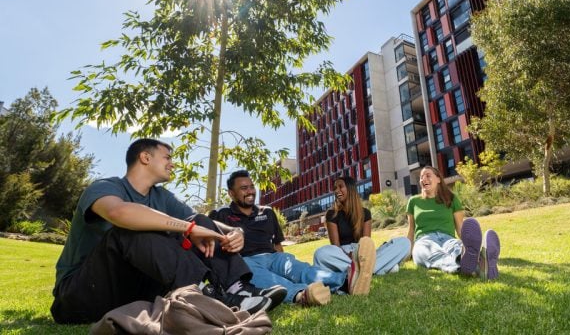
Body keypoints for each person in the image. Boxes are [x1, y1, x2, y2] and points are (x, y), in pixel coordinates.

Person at [51, 139, 286, 324]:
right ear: (145, 157)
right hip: (79, 294)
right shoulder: (106, 187)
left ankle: (238, 289)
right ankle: (207, 296)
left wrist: (235, 231)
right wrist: (188, 228)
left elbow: (199, 221)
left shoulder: (162, 197)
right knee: (131, 230)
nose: (172, 163)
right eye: (167, 157)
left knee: (200, 219)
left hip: (133, 291)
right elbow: (119, 214)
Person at [211, 170, 376, 307]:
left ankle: (346, 282)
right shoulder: (220, 214)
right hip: (246, 261)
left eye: (252, 187)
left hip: (274, 256)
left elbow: (277, 244)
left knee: (300, 269)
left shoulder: (267, 212)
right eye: (244, 188)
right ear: (232, 193)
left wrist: (282, 259)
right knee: (270, 279)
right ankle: (301, 294)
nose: (250, 191)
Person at [406, 166, 501, 279]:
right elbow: (411, 230)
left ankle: (472, 260)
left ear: (438, 179)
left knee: (457, 248)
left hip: (447, 239)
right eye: (421, 177)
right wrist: (406, 254)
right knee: (428, 253)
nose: (423, 179)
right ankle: (477, 265)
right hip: (424, 240)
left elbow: (460, 228)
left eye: (428, 175)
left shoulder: (451, 198)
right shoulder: (413, 201)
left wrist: (465, 242)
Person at [313, 176, 411, 275]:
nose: (336, 190)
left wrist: (360, 255)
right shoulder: (332, 214)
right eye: (335, 188)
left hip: (362, 253)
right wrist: (348, 255)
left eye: (340, 186)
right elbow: (336, 246)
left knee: (404, 242)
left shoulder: (365, 213)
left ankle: (358, 271)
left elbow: (366, 243)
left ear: (350, 189)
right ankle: (377, 268)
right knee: (320, 254)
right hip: (342, 254)